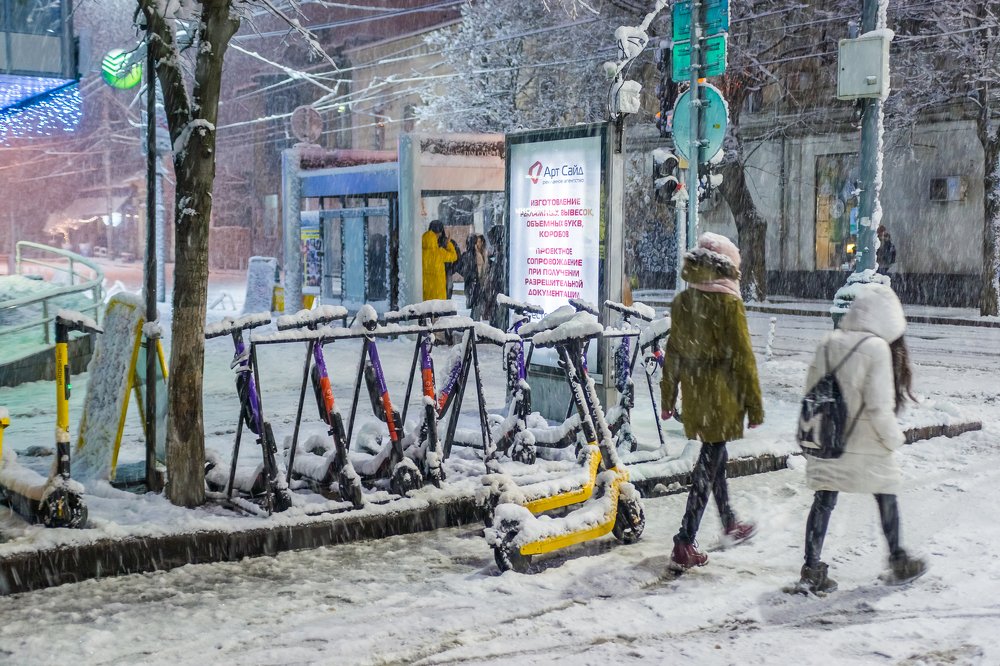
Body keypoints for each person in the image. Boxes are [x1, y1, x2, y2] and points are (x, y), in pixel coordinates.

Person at [796, 284, 926, 594]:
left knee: (824, 499)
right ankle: (898, 559)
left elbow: (811, 391)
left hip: (829, 439)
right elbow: (879, 406)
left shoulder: (829, 342)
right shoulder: (877, 348)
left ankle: (811, 568)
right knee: (886, 494)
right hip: (865, 444)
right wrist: (895, 439)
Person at [660, 232, 763, 570]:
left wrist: (668, 396)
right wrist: (754, 406)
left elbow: (672, 354)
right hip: (723, 397)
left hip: (695, 395)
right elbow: (744, 358)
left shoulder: (684, 302)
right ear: (726, 268)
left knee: (715, 454)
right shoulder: (729, 304)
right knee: (710, 459)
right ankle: (685, 541)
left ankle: (729, 522)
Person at [421, 220, 457, 301]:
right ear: (439, 233)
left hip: (425, 292)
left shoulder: (419, 253)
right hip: (438, 293)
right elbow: (454, 256)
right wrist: (448, 243)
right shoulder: (439, 252)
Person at [457, 233, 489, 320]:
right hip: (474, 284)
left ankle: (473, 327)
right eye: (476, 241)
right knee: (476, 307)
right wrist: (469, 275)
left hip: (475, 284)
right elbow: (459, 267)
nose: (478, 244)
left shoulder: (478, 254)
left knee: (476, 308)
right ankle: (474, 328)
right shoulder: (472, 255)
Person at [484, 225, 507, 328]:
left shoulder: (501, 252)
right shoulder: (500, 252)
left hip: (498, 288)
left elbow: (498, 271)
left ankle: (497, 331)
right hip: (497, 288)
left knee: (497, 312)